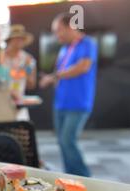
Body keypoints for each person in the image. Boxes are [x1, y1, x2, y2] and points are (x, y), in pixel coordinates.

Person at [40, 13, 98, 177]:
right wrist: (51, 79)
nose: (56, 34)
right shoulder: (65, 48)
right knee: (63, 142)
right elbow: (62, 73)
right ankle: (70, 177)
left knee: (68, 141)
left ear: (70, 27)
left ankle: (85, 179)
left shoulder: (87, 43)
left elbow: (83, 66)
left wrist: (54, 76)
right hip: (60, 103)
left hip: (78, 103)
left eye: (58, 30)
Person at [0, 24, 37, 120]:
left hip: (19, 104)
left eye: (21, 39)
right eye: (16, 38)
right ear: (9, 40)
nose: (19, 42)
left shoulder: (28, 59)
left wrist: (26, 70)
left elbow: (31, 84)